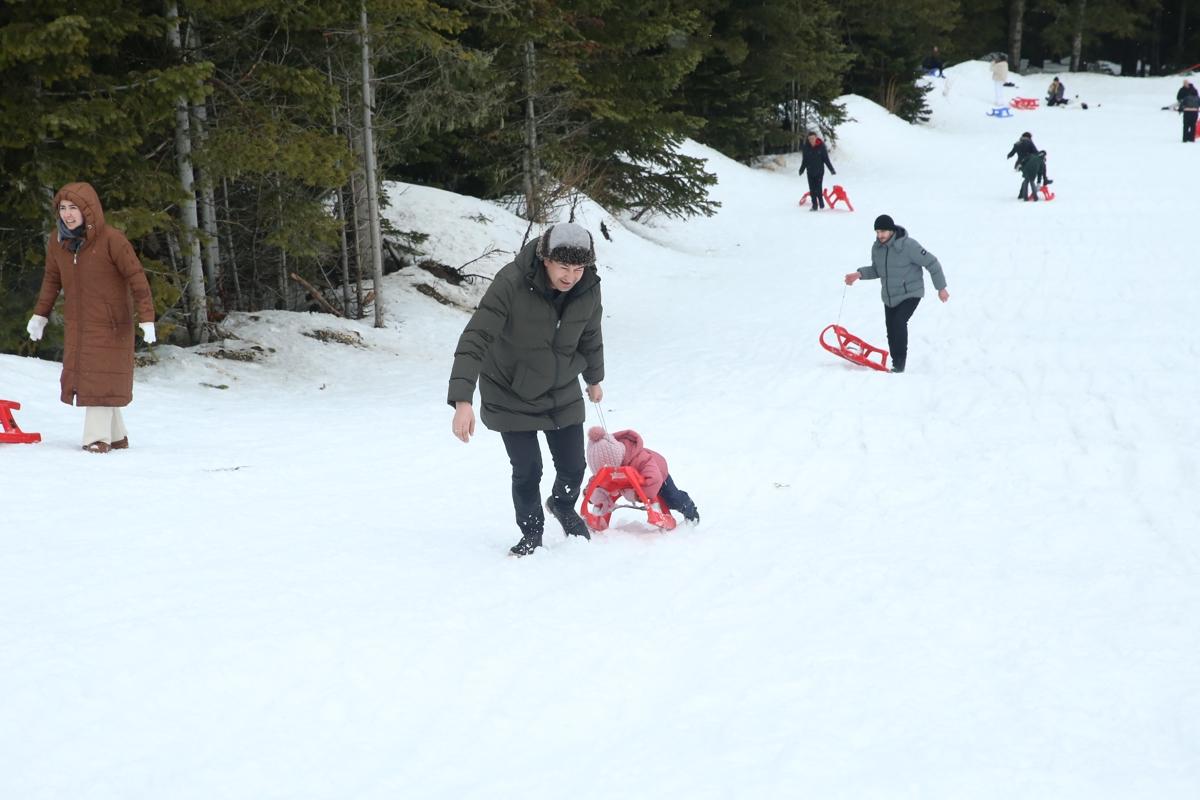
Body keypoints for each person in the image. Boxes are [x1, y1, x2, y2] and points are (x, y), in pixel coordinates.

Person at [448, 222, 604, 557]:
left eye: (579, 268)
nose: (571, 277)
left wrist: (594, 378)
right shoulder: (511, 283)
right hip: (510, 389)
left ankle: (562, 505)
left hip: (561, 386)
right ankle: (532, 532)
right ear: (546, 259)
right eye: (563, 267)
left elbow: (590, 334)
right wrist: (463, 399)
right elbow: (476, 337)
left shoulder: (588, 287)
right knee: (528, 469)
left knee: (574, 466)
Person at [26, 182, 156, 453]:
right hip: (79, 324)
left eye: (74, 208)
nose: (67, 214)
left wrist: (146, 317)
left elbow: (137, 278)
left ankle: (96, 438)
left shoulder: (112, 240)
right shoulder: (58, 241)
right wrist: (40, 315)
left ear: (88, 210)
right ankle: (116, 436)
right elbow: (51, 280)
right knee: (95, 376)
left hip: (111, 324)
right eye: (63, 208)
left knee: (98, 377)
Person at [843, 215, 949, 374]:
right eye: (877, 232)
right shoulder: (877, 248)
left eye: (883, 231)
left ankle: (899, 364)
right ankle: (895, 362)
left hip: (910, 292)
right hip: (890, 296)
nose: (880, 235)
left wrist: (941, 288)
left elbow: (932, 262)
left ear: (891, 230)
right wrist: (859, 274)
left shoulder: (908, 246)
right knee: (891, 328)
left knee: (899, 322)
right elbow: (877, 270)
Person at [585, 426, 699, 524]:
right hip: (629, 481)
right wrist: (590, 494)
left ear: (617, 460)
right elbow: (597, 480)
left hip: (657, 476)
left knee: (671, 499)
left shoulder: (640, 459)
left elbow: (654, 479)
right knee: (607, 486)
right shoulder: (607, 466)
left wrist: (638, 495)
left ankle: (689, 508)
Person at [798, 131, 837, 212]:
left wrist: (831, 169)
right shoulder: (806, 147)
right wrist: (801, 169)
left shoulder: (821, 147)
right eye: (810, 139)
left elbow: (826, 159)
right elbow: (804, 160)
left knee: (818, 188)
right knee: (812, 189)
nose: (811, 140)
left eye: (813, 138)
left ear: (816, 138)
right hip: (810, 171)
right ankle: (814, 205)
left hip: (819, 171)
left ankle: (821, 201)